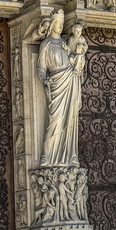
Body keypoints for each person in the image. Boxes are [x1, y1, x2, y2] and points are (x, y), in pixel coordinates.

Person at [37, 10, 84, 167]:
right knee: (55, 119)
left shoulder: (66, 44)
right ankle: (47, 155)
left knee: (70, 119)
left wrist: (77, 56)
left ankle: (70, 155)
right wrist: (44, 79)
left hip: (70, 81)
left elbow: (75, 62)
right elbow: (41, 68)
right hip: (56, 84)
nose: (60, 26)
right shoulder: (46, 44)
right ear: (51, 24)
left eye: (62, 23)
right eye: (58, 23)